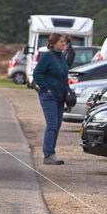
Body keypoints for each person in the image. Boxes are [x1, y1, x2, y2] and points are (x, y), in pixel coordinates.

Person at [33, 33, 68, 165]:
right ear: (53, 43)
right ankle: (48, 155)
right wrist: (46, 88)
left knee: (57, 125)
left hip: (60, 96)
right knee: (52, 124)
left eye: (64, 42)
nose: (64, 44)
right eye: (61, 42)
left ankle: (51, 153)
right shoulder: (47, 56)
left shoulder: (61, 57)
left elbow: (63, 76)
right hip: (49, 96)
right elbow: (37, 73)